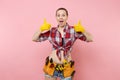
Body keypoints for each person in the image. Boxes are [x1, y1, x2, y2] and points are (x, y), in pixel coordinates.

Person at [32, 8, 93, 80]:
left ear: (67, 17)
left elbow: (90, 38)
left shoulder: (73, 30)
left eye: (63, 15)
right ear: (56, 17)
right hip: (52, 66)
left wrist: (83, 30)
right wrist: (41, 29)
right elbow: (34, 38)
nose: (61, 17)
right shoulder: (51, 31)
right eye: (58, 15)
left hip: (66, 67)